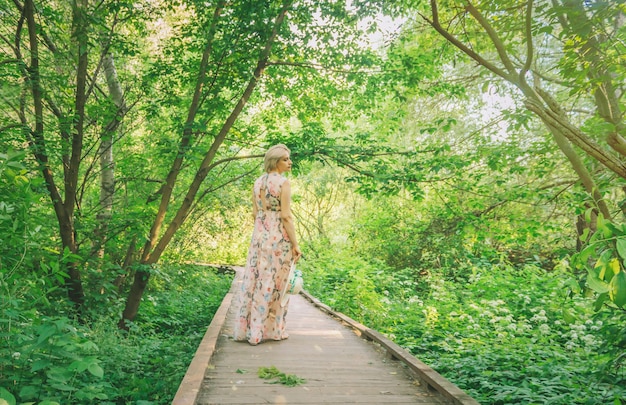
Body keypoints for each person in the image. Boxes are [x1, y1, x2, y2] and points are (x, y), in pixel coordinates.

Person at [233, 144, 302, 345]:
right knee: (276, 284)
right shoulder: (283, 183)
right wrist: (295, 244)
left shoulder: (257, 182)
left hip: (259, 236)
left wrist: (263, 227)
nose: (290, 162)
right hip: (278, 238)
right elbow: (286, 216)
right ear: (275, 162)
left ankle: (250, 331)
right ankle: (271, 331)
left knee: (255, 281)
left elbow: (255, 213)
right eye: (285, 159)